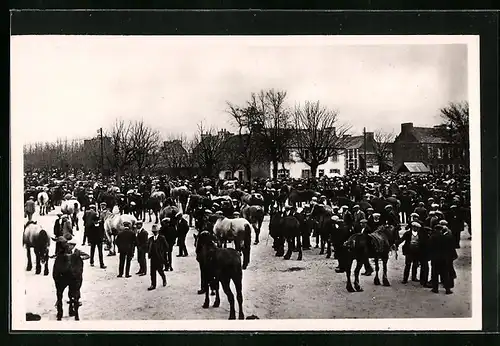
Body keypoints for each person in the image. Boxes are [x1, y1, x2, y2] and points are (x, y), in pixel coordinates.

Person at [147, 225, 168, 290]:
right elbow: (148, 247)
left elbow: (166, 247)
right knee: (152, 272)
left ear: (158, 231)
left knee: (160, 270)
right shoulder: (150, 239)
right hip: (153, 257)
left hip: (159, 257)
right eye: (153, 231)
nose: (155, 233)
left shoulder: (162, 238)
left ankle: (164, 279)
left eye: (156, 231)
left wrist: (163, 254)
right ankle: (153, 284)